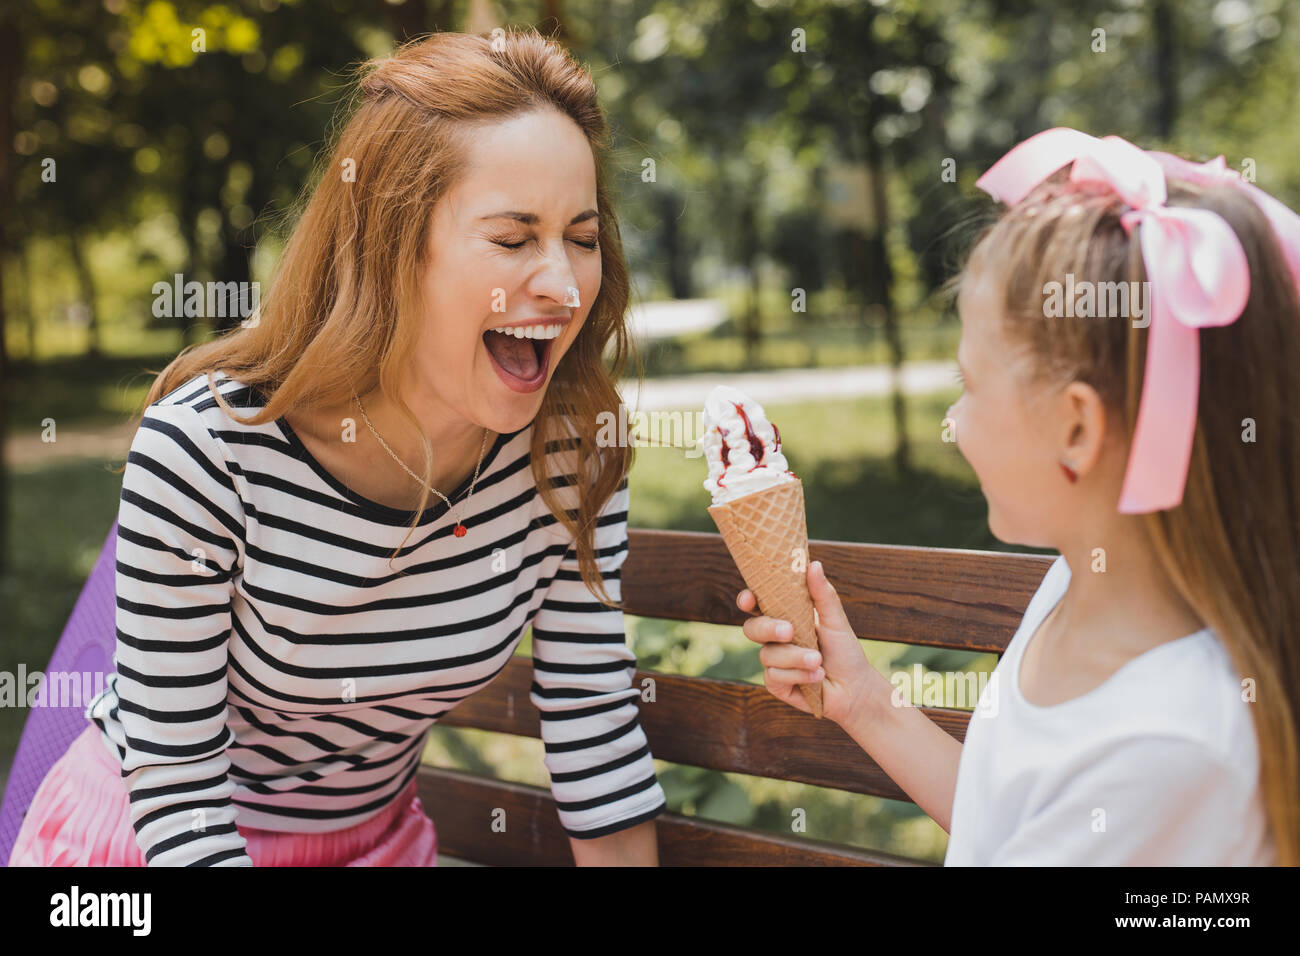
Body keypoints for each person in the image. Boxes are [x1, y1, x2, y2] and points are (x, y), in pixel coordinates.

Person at [9, 28, 666, 867]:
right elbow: (176, 786)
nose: (565, 283)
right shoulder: (210, 452)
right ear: (393, 249)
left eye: (581, 237)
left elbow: (592, 722)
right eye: (512, 239)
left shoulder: (570, 455)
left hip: (377, 845)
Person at [737, 128, 1300, 865]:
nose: (954, 423)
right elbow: (1008, 828)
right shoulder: (1081, 582)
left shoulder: (1172, 744)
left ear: (1075, 428)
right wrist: (866, 701)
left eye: (968, 388)